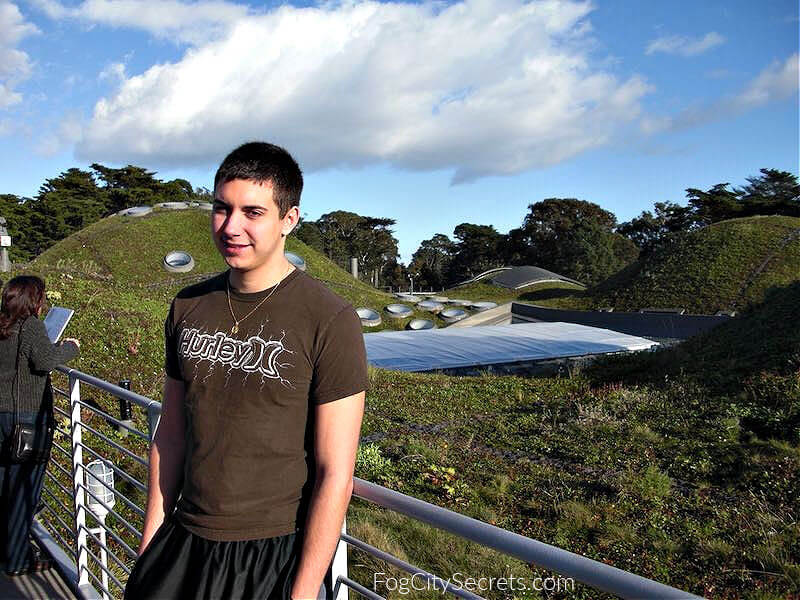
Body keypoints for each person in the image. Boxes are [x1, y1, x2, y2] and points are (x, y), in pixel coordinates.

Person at [125, 142, 368, 599]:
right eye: (222, 208)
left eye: (253, 212)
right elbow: (171, 434)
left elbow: (336, 472)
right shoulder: (188, 306)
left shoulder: (330, 319)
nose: (231, 227)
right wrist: (149, 548)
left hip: (271, 554)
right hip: (182, 541)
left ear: (288, 220)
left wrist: (301, 592)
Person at [0, 275, 79, 576]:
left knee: (4, 485)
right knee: (24, 489)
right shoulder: (31, 326)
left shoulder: (3, 324)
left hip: (2, 417)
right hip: (26, 419)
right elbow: (45, 361)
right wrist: (70, 347)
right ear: (34, 299)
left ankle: (5, 547)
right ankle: (18, 558)